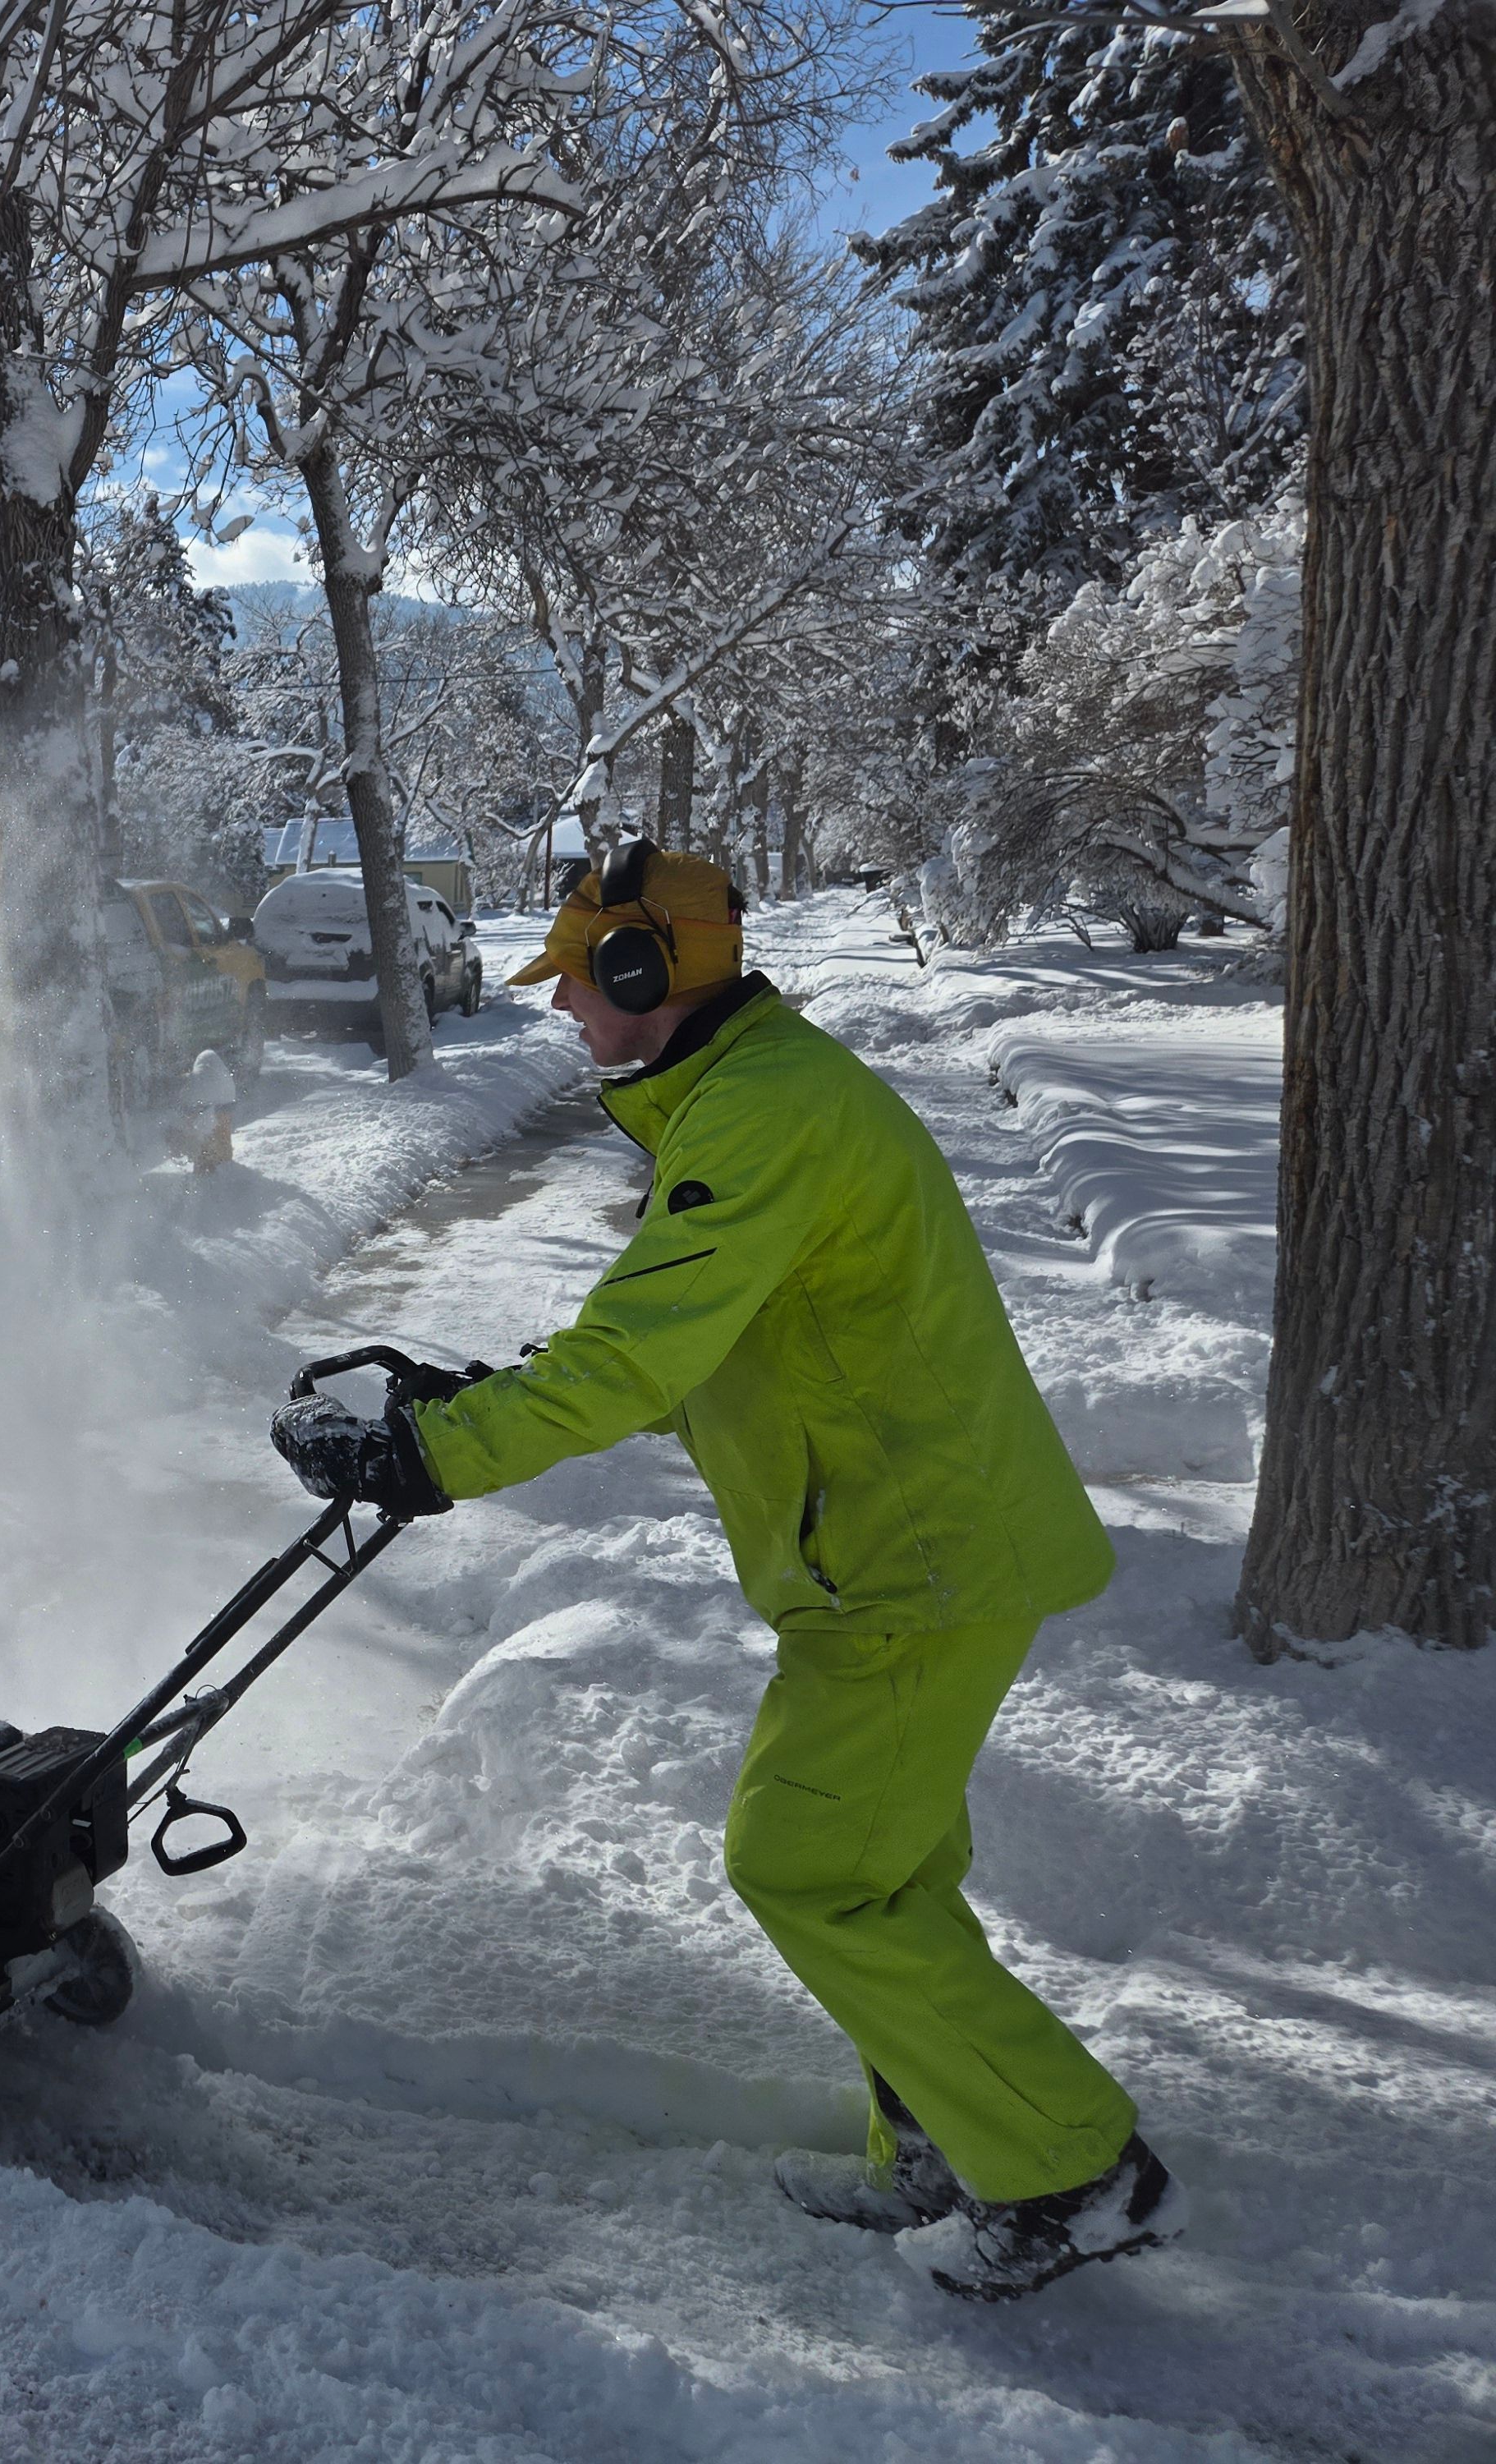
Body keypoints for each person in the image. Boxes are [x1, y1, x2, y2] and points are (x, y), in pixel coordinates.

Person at [269, 841, 1185, 2303]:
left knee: (804, 1865)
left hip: (913, 1565)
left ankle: (1078, 2172)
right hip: (899, 1553)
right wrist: (468, 1399)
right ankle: (956, 2142)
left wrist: (434, 1457)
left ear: (650, 973)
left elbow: (636, 1359)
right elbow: (700, 1354)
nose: (563, 1002)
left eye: (580, 975)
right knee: (886, 1878)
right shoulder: (748, 1096)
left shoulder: (763, 1115)